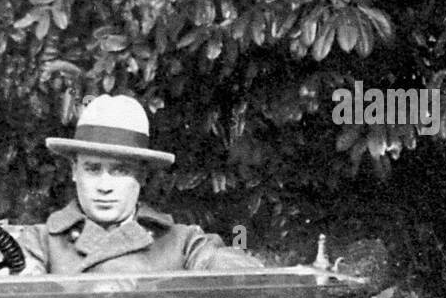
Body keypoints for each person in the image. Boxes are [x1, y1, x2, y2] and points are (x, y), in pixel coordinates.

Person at [13, 94, 264, 276]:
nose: (104, 186)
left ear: (142, 177)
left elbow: (233, 271)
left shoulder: (181, 242)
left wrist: (232, 261)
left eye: (120, 170)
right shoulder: (40, 242)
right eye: (92, 169)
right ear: (74, 172)